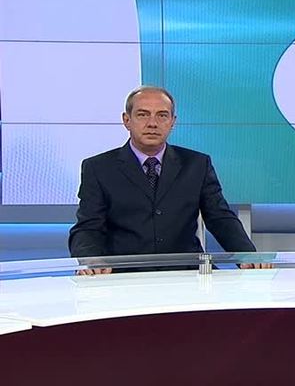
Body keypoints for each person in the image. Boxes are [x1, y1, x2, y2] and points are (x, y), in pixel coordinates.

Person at [69, 85, 268, 274]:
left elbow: (220, 218)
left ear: (173, 121)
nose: (152, 123)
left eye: (162, 115)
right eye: (143, 114)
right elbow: (88, 227)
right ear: (126, 120)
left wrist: (247, 255)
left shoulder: (197, 164)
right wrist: (91, 260)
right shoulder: (98, 168)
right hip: (123, 276)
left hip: (187, 275)